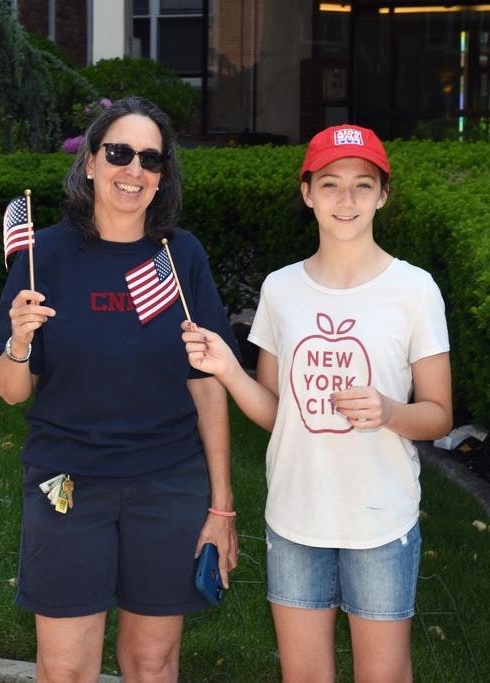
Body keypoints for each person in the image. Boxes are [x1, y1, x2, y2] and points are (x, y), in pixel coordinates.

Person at [0, 96, 239, 682]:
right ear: (91, 163)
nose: (135, 170)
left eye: (151, 159)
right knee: (66, 668)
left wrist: (221, 506)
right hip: (67, 482)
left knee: (153, 663)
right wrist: (20, 339)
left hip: (168, 483)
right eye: (119, 153)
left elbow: (208, 386)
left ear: (163, 176)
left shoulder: (181, 255)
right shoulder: (44, 255)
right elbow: (11, 391)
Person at [182, 124, 452, 682]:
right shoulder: (282, 289)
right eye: (330, 184)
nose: (345, 200)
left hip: (380, 520)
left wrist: (390, 412)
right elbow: (277, 413)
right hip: (295, 518)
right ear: (307, 193)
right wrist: (228, 370)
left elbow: (439, 415)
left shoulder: (414, 290)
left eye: (362, 185)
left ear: (383, 195)